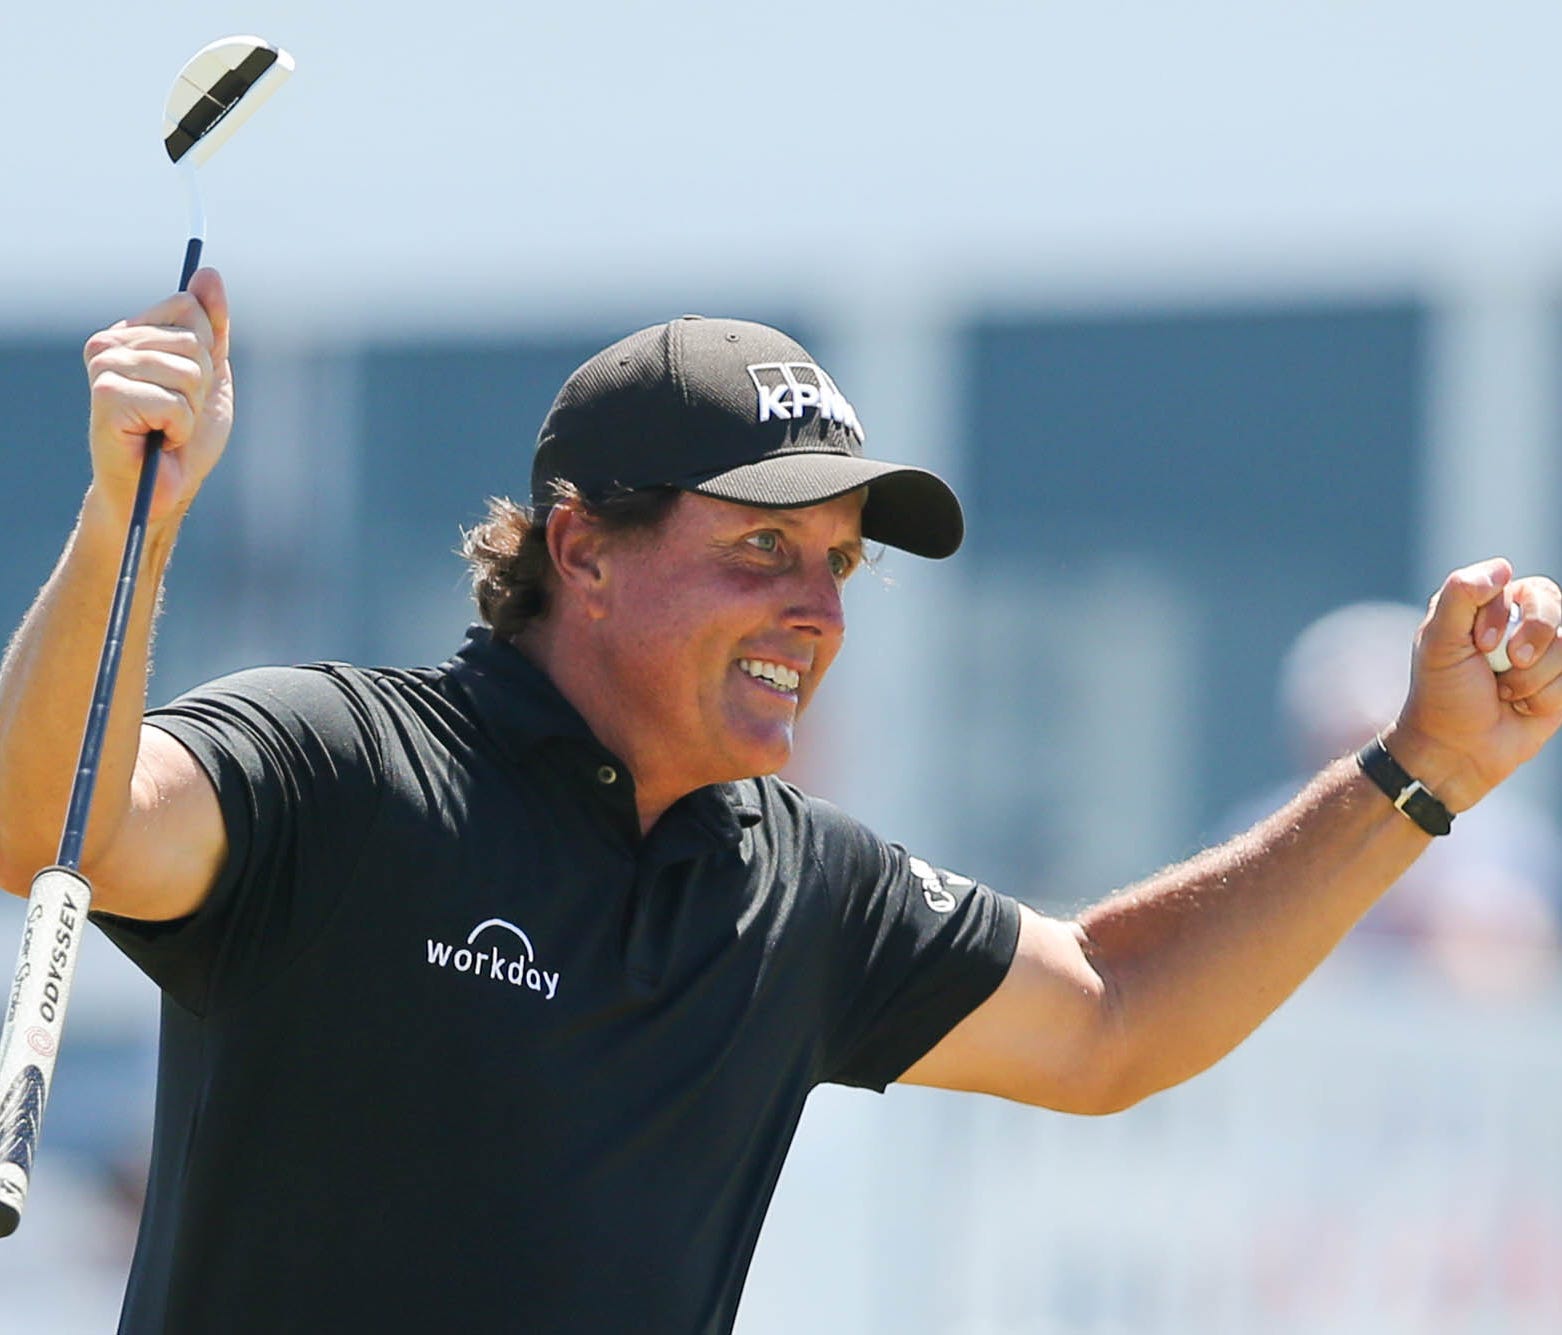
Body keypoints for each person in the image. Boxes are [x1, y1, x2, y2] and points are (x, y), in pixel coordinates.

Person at [0, 270, 1558, 1334]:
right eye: (759, 550)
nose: (817, 608)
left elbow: (1111, 1017)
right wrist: (128, 516)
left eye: (838, 562)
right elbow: (47, 822)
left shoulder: (800, 886)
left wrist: (1415, 776)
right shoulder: (344, 760)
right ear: (583, 551)